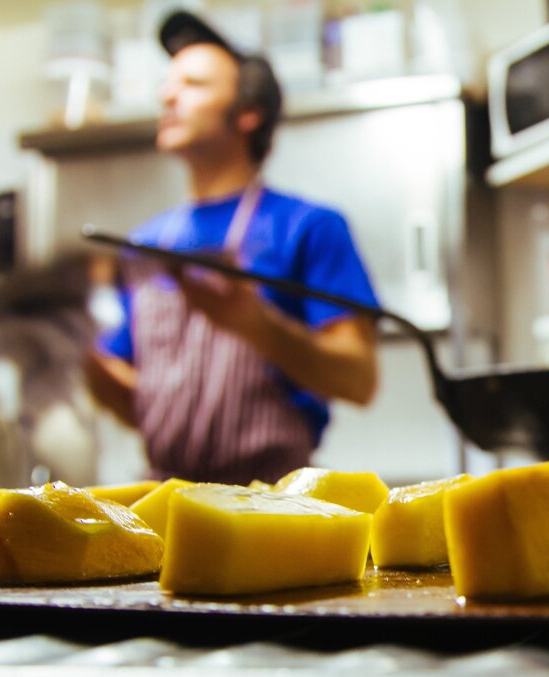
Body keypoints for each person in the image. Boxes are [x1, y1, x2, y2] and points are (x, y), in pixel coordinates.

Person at [85, 11, 380, 485]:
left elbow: (360, 379)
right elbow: (142, 402)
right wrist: (76, 357)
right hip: (165, 504)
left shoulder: (308, 226)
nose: (167, 95)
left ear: (249, 112)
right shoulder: (143, 247)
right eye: (168, 83)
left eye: (194, 83)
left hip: (274, 506)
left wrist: (258, 326)